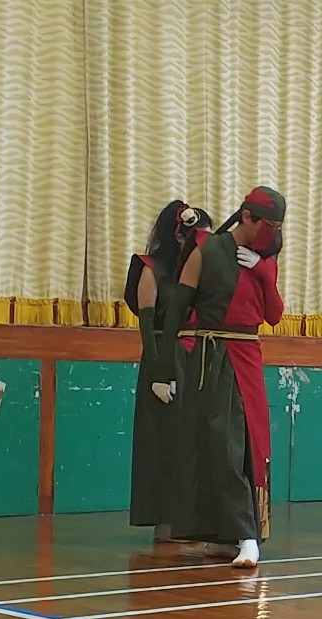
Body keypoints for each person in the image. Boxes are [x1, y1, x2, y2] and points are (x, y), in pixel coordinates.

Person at [152, 186, 286, 569]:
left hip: (246, 359)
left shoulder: (265, 259)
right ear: (246, 216)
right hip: (209, 360)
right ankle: (221, 534)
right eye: (268, 225)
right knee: (210, 446)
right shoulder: (206, 251)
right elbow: (176, 309)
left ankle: (247, 535)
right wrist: (163, 369)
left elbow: (274, 315)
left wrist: (262, 272)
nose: (272, 234)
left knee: (242, 447)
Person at [123, 201, 212, 542]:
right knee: (164, 441)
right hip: (164, 358)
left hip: (196, 359)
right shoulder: (151, 269)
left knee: (195, 442)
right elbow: (148, 329)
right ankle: (165, 518)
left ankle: (194, 518)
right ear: (178, 236)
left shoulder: (201, 270)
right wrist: (159, 373)